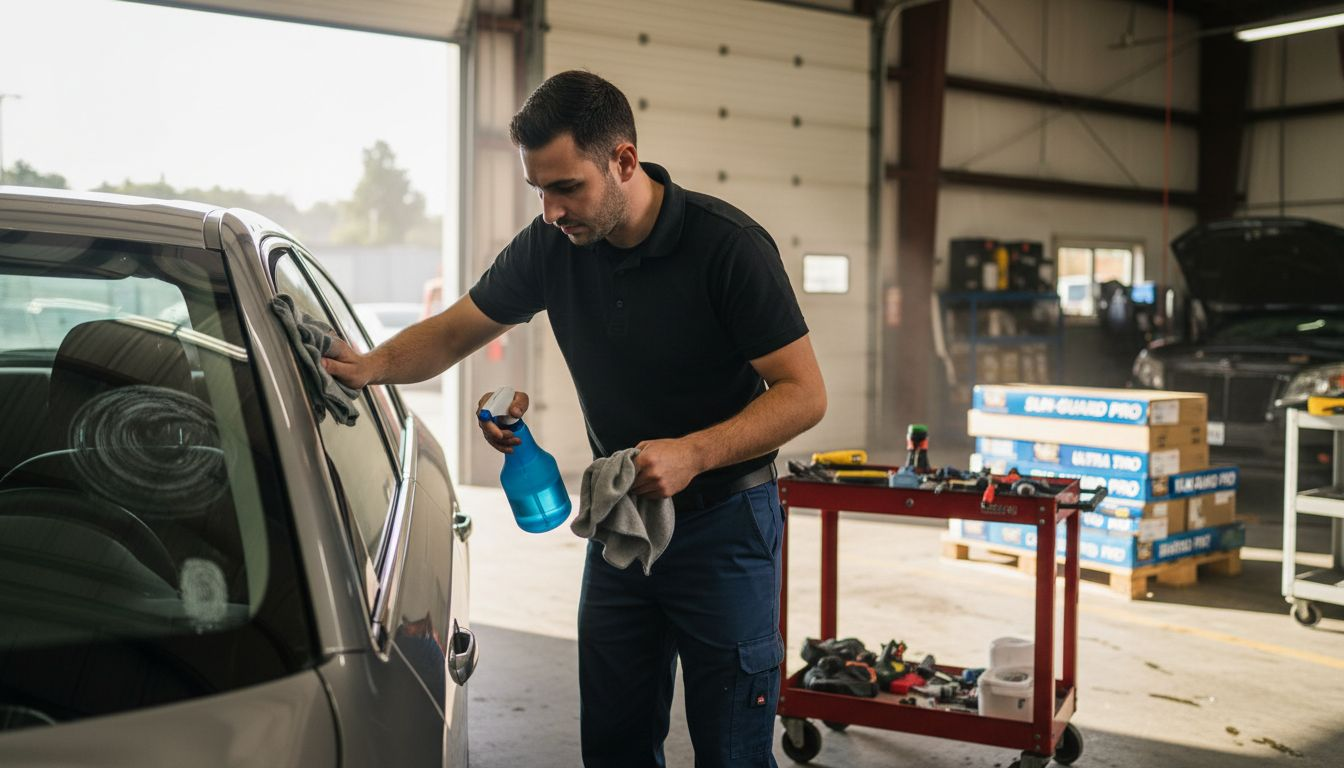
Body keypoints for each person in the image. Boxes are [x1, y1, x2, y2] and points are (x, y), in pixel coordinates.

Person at [322, 69, 827, 768]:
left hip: (725, 526)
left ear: (623, 161)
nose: (553, 210)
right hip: (621, 522)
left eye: (567, 187)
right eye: (540, 190)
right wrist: (369, 366)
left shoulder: (727, 247)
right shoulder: (549, 247)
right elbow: (450, 332)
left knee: (732, 752)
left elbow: (804, 393)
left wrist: (694, 454)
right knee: (615, 745)